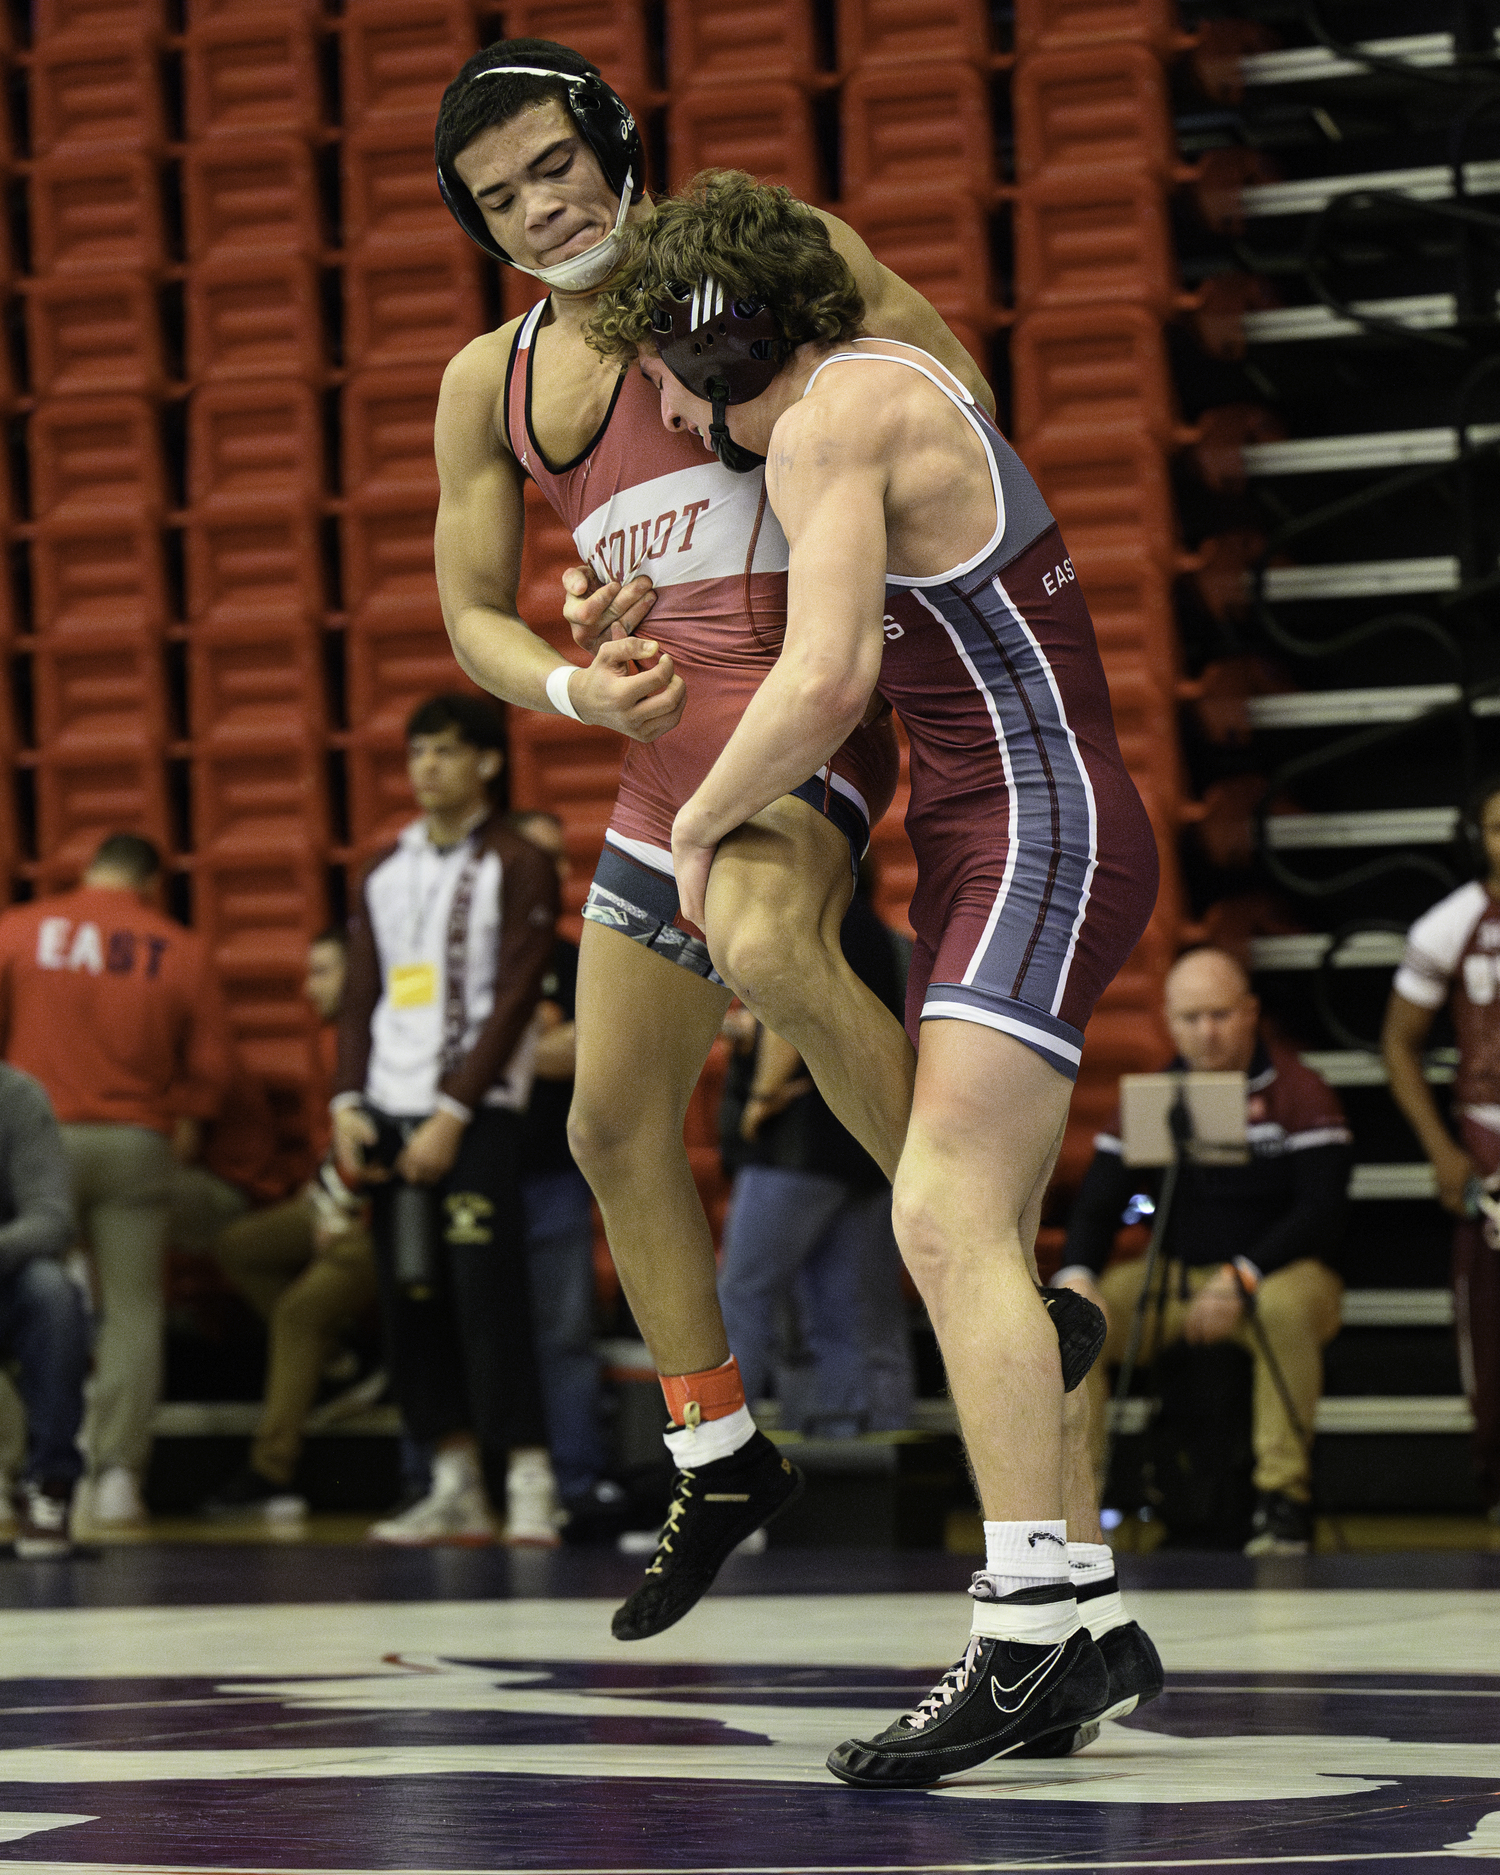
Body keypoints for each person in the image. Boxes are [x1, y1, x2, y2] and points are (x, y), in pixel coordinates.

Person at [431, 38, 1047, 1635]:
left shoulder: (764, 260)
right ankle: (718, 1453)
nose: (538, 209)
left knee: (774, 943)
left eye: (554, 166)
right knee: (611, 1125)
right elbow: (468, 616)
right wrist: (578, 666)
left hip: (804, 714)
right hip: (656, 763)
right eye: (498, 198)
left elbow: (955, 402)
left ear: (615, 142)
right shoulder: (486, 383)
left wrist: (817, 480)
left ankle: (987, 1256)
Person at [588, 168, 1163, 1782]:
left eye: (671, 388)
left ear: (714, 363)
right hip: (1004, 829)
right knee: (957, 1217)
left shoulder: (841, 414)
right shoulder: (874, 388)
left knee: (941, 1214)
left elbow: (829, 676)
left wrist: (699, 821)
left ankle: (1026, 1636)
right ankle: (1084, 1620)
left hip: (1037, 823)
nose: (677, 429)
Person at [332, 693, 562, 1546]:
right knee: (409, 1297)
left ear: (488, 763)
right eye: (418, 751)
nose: (427, 767)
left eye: (446, 751)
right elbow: (362, 994)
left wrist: (454, 1112)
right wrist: (347, 1100)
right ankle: (454, 1474)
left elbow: (511, 1002)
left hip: (474, 1117)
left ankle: (532, 1474)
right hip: (389, 1110)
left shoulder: (517, 862)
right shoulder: (385, 869)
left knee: (487, 1295)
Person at [1057, 947, 1352, 1555]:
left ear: (1250, 1013)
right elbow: (1098, 1204)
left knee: (1286, 1309)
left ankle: (1282, 1502)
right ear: (1168, 1021)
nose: (1206, 1032)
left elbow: (1321, 1212)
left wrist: (1242, 1275)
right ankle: (1075, 1509)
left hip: (1280, 1273)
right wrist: (1079, 1272)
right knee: (1076, 1319)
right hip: (1175, 1274)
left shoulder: (1299, 1093)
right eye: (1191, 1018)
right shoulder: (1152, 1098)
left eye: (1220, 1015)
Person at [0, 832, 234, 1527]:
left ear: (88, 866)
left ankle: (7, 1468)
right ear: (152, 881)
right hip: (138, 1141)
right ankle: (118, 1475)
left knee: (18, 1298)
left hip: (35, 1137)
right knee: (133, 1309)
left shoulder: (20, 929)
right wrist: (186, 1115)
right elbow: (214, 1070)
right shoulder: (179, 947)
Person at [717, 867, 914, 1435]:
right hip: (873, 1149)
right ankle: (868, 1446)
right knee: (857, 1307)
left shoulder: (804, 937)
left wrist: (759, 1096)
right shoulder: (894, 946)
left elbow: (790, 1018)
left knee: (746, 1295)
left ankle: (722, 1448)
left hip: (798, 1149)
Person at [198, 929, 381, 1521]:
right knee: (239, 1245)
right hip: (330, 1202)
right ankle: (339, 1363)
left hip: (377, 1216)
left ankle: (270, 1470)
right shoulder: (328, 1038)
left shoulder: (382, 1038)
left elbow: (381, 1147)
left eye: (322, 973)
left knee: (297, 1313)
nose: (308, 989)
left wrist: (343, 1211)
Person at [1383, 776, 1500, 1523]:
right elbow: (1398, 1042)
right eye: (1496, 826)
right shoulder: (1449, 924)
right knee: (1489, 1347)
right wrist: (1439, 1147)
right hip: (1488, 1155)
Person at [509, 808, 612, 1523]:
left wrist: (506, 1054)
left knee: (565, 1334)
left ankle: (575, 1485)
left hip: (554, 1170)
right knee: (468, 1326)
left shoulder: (581, 956)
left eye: (556, 858)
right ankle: (453, 1484)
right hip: (475, 1171)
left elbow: (594, 1047)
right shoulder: (474, 952)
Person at [0, 1062, 87, 1556]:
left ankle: (51, 1484)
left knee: (53, 1293)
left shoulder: (16, 1097)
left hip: (4, 1279)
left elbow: (52, 1218)